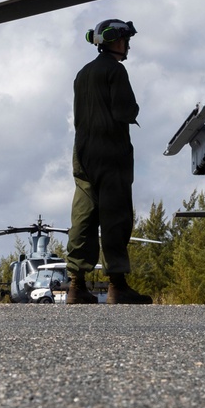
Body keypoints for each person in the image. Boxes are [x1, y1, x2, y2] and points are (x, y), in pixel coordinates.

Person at [66, 19, 152, 305]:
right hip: (111, 152)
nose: (128, 45)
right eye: (126, 40)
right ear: (116, 40)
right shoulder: (116, 70)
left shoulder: (82, 73)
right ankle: (117, 285)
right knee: (115, 217)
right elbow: (126, 110)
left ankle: (76, 285)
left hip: (82, 152)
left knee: (83, 216)